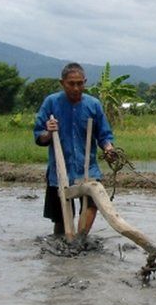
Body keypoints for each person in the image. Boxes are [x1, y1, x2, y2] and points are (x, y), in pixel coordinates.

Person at [33, 62, 116, 238]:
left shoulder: (93, 105)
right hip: (59, 171)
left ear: (85, 82)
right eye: (71, 84)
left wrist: (109, 149)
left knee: (92, 204)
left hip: (87, 169)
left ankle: (80, 240)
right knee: (61, 221)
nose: (76, 88)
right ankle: (62, 244)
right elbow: (39, 136)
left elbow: (104, 135)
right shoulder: (51, 103)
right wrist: (49, 132)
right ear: (62, 83)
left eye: (80, 83)